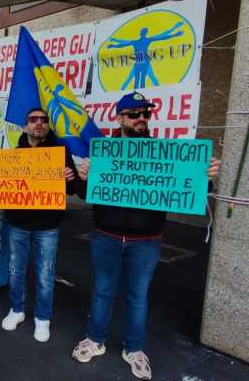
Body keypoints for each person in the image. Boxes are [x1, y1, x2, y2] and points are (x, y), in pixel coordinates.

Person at [71, 92, 221, 380]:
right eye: (134, 114)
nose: (141, 118)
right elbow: (81, 192)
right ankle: (95, 339)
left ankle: (135, 349)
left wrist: (206, 175)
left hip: (146, 241)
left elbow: (189, 188)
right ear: (120, 118)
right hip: (106, 236)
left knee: (138, 297)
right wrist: (84, 176)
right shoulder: (103, 151)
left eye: (145, 114)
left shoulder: (164, 152)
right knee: (102, 291)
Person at [1, 108, 78, 342]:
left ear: (47, 125)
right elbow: (1, 186)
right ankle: (17, 310)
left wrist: (70, 178)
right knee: (16, 271)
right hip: (18, 224)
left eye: (43, 120)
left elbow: (73, 189)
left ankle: (43, 318)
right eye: (33, 120)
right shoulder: (14, 154)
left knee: (45, 275)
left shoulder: (60, 152)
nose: (38, 123)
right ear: (25, 126)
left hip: (48, 226)